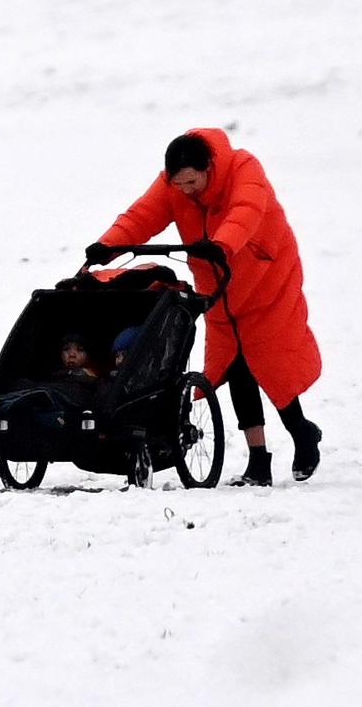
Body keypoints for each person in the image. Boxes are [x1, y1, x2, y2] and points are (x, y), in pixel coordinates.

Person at [85, 128, 324, 485]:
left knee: (270, 363)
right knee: (236, 365)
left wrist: (221, 244)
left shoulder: (244, 169)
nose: (185, 191)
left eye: (192, 182)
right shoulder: (174, 183)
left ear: (210, 168)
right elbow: (142, 216)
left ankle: (302, 433)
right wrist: (108, 245)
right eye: (178, 185)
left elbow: (245, 212)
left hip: (266, 278)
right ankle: (258, 460)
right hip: (220, 283)